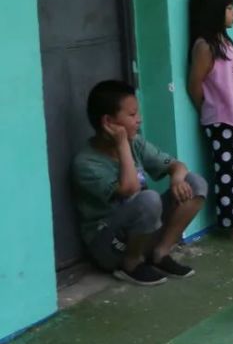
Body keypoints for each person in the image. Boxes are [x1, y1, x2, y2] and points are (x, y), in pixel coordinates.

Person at [73, 80, 207, 285]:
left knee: (195, 183)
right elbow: (130, 189)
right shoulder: (86, 163)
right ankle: (131, 264)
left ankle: (160, 254)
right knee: (149, 199)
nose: (139, 120)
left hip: (141, 234)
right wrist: (122, 144)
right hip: (109, 245)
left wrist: (177, 180)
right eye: (132, 114)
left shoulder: (136, 142)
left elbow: (177, 166)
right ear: (108, 122)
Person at [187, 0, 233, 242]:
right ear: (213, 11)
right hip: (221, 121)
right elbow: (195, 84)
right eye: (229, 7)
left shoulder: (225, 42)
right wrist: (208, 110)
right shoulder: (205, 46)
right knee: (228, 174)